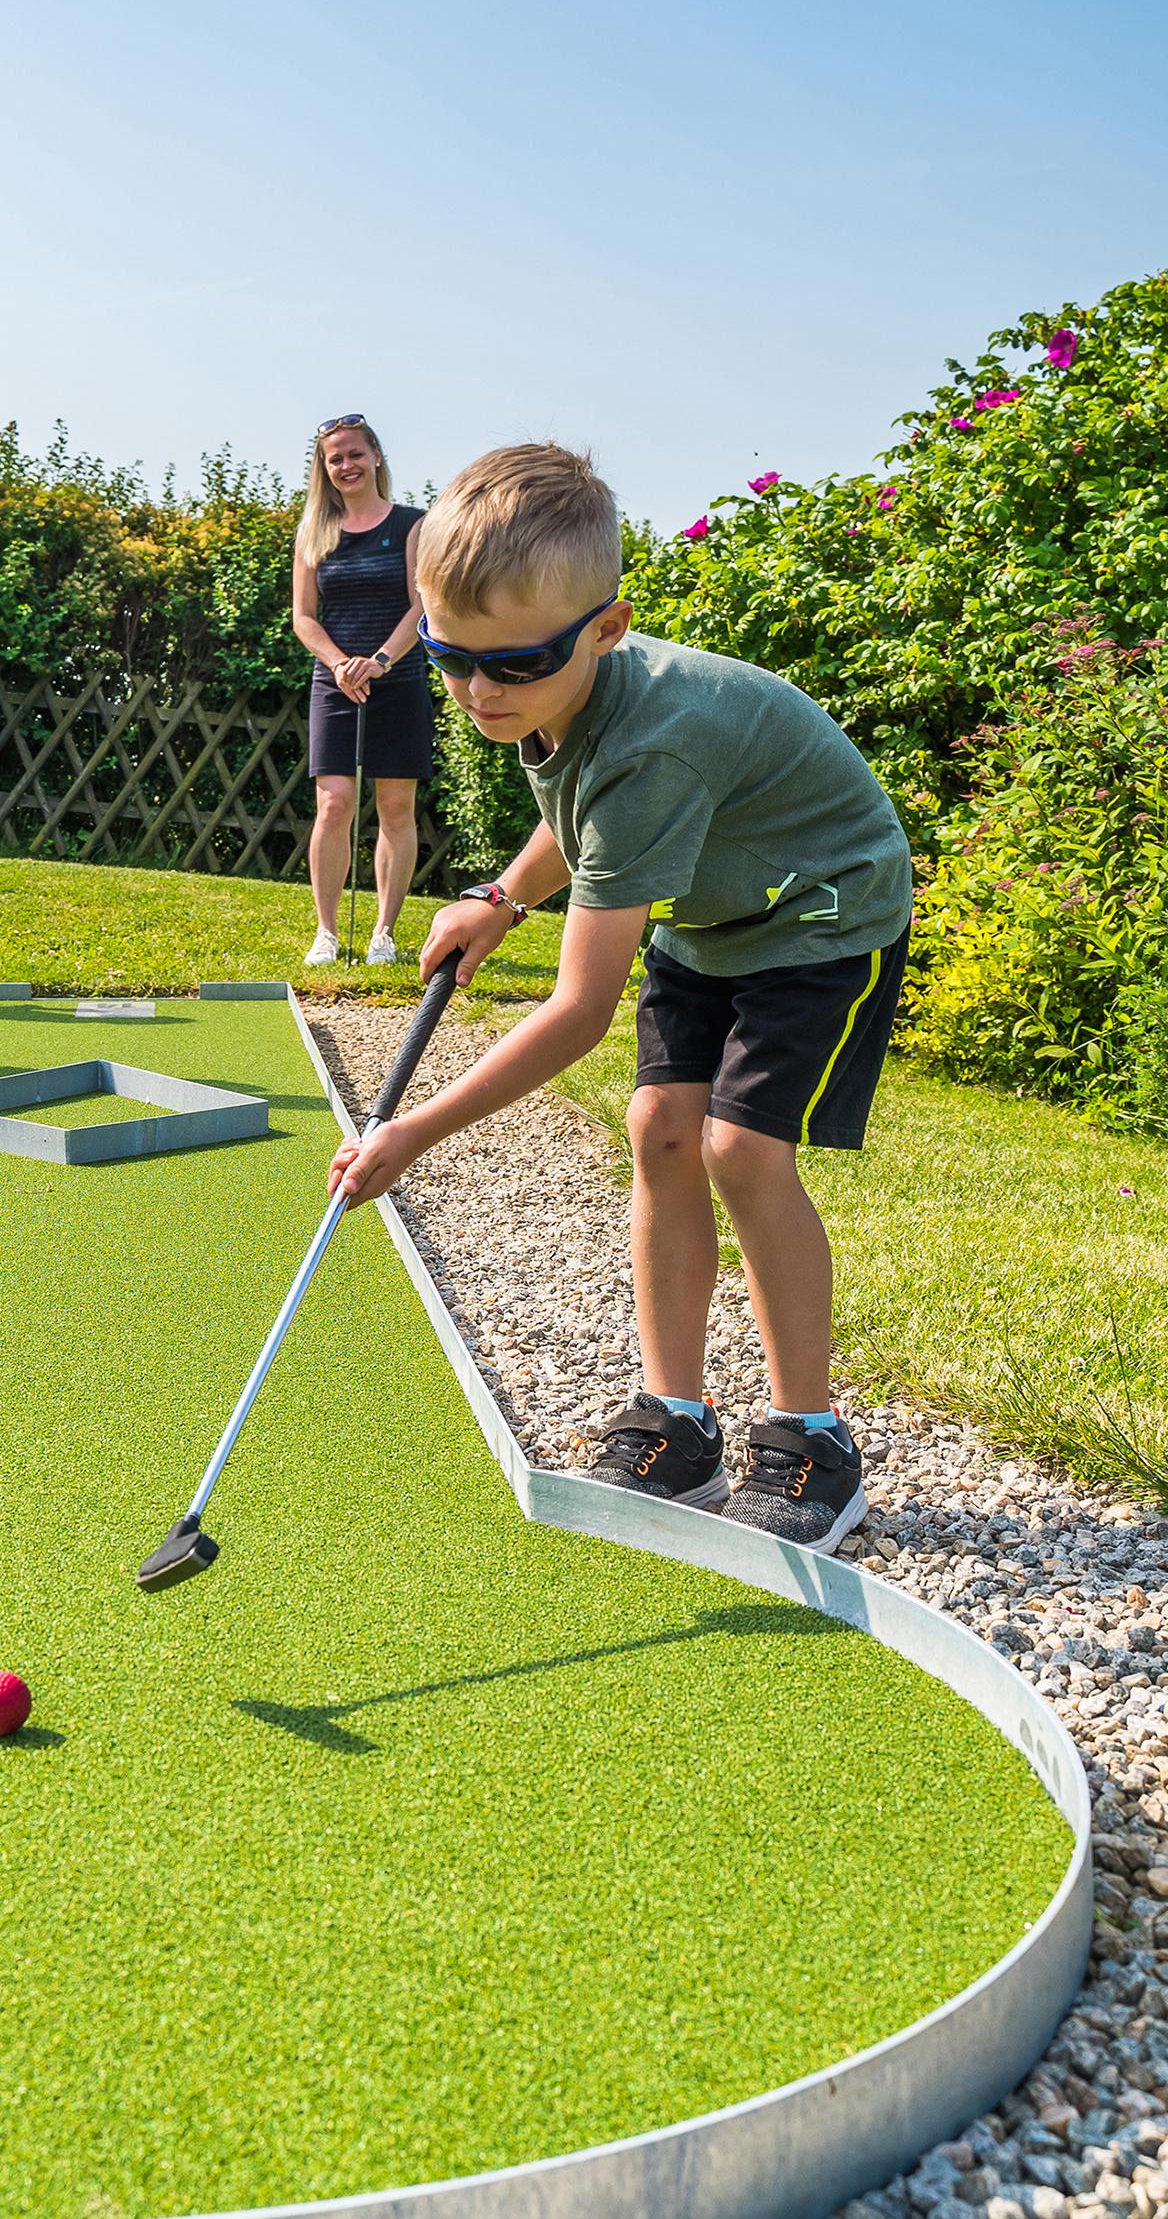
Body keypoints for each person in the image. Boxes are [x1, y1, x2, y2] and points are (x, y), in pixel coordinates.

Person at [325, 444, 913, 1557]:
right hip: (711, 912)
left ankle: (812, 1438)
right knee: (658, 1128)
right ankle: (678, 1421)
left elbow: (580, 1010)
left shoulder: (659, 741)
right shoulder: (548, 695)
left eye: (514, 662)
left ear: (605, 629)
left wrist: (412, 1133)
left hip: (823, 910)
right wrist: (503, 895)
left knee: (742, 1147)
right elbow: (586, 815)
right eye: (450, 657)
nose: (480, 691)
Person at [288, 413, 432, 968]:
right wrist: (341, 664)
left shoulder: (413, 524)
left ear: (375, 456)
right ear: (323, 469)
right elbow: (304, 618)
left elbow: (422, 606)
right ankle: (326, 933)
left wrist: (380, 661)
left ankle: (384, 934)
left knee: (395, 808)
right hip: (336, 683)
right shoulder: (313, 533)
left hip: (397, 679)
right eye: (335, 458)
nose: (346, 465)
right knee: (333, 804)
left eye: (354, 454)